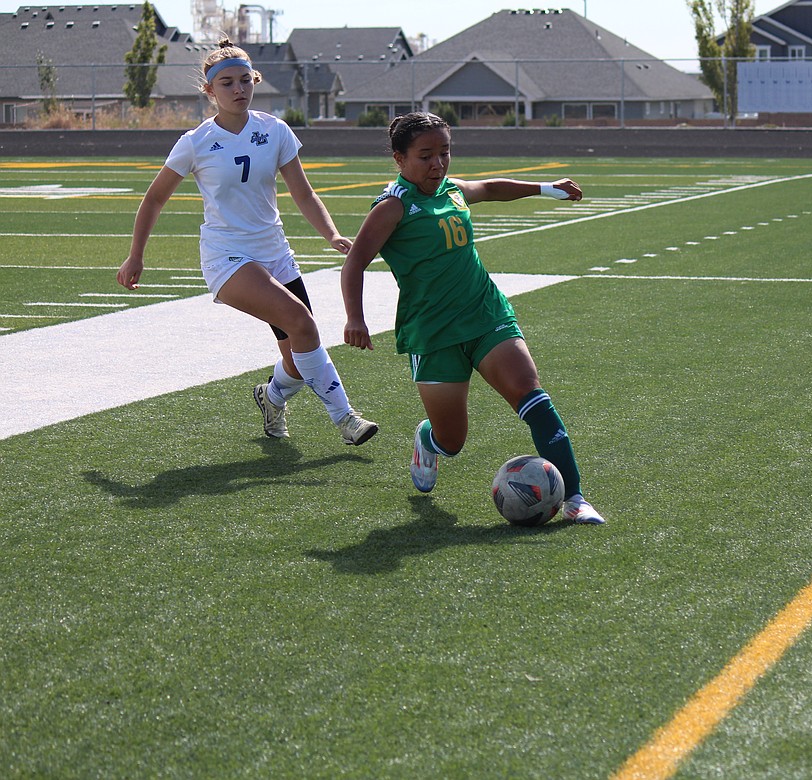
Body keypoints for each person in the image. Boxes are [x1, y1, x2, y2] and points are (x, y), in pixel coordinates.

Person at [340, 111, 605, 525]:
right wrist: (355, 318)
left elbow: (489, 187)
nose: (438, 164)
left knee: (533, 396)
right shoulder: (392, 208)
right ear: (399, 159)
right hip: (433, 334)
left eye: (444, 153)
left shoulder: (452, 190)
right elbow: (354, 263)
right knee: (452, 440)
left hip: (486, 314)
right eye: (425, 156)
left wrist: (546, 189)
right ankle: (427, 440)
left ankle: (575, 498)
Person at [117, 40, 377, 446]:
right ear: (209, 91)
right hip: (228, 257)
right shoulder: (195, 141)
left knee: (298, 356)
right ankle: (345, 419)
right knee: (303, 323)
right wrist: (136, 255)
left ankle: (271, 398)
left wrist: (331, 233)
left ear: (254, 80)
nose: (238, 89)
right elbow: (154, 198)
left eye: (244, 80)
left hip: (275, 252)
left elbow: (303, 193)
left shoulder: (274, 130)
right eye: (227, 83)